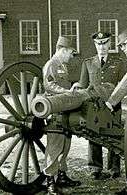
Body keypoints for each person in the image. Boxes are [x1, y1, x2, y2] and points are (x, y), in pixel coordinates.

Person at [72, 32, 126, 179]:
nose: (102, 47)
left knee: (114, 133)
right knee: (93, 133)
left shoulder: (119, 62)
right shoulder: (88, 63)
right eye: (98, 44)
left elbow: (123, 85)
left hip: (113, 104)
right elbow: (83, 86)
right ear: (95, 45)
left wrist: (114, 100)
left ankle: (114, 167)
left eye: (105, 43)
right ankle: (95, 167)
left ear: (110, 44)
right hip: (93, 106)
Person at [41, 36, 81, 192]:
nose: (71, 56)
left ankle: (62, 175)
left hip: (65, 109)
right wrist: (67, 92)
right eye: (71, 53)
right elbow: (49, 85)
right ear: (62, 50)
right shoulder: (51, 64)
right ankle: (50, 179)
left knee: (65, 144)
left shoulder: (63, 66)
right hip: (54, 109)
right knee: (54, 145)